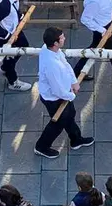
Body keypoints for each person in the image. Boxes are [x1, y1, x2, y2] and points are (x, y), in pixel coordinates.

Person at [34, 27, 93, 159]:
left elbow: (65, 65)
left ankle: (76, 139)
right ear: (55, 43)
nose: (64, 38)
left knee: (69, 115)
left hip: (61, 94)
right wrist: (71, 95)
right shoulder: (51, 65)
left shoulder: (49, 50)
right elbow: (57, 90)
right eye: (62, 38)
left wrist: (74, 82)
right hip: (54, 98)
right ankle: (41, 147)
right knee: (58, 123)